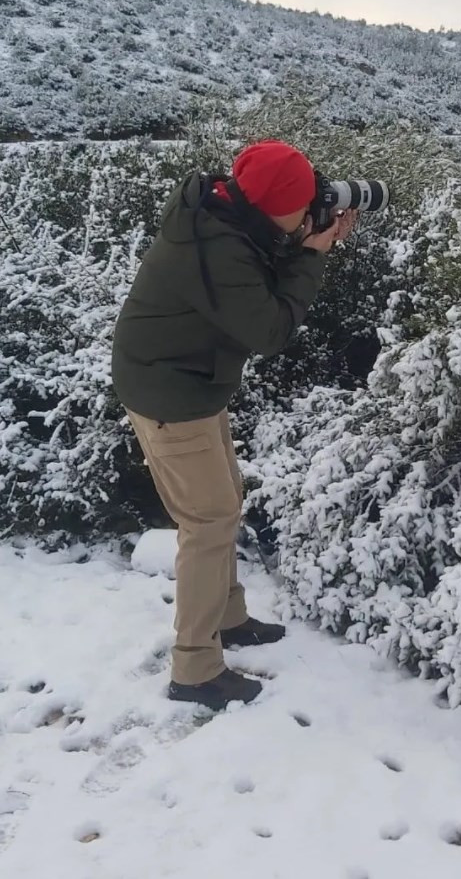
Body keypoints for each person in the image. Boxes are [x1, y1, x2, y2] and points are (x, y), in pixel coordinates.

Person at [111, 139, 358, 710]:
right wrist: (313, 254)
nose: (308, 213)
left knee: (225, 503)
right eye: (301, 204)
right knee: (208, 522)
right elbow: (269, 330)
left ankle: (229, 616)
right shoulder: (218, 247)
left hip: (191, 380)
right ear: (272, 205)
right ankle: (194, 668)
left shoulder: (225, 214)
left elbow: (255, 273)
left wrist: (301, 240)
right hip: (170, 392)